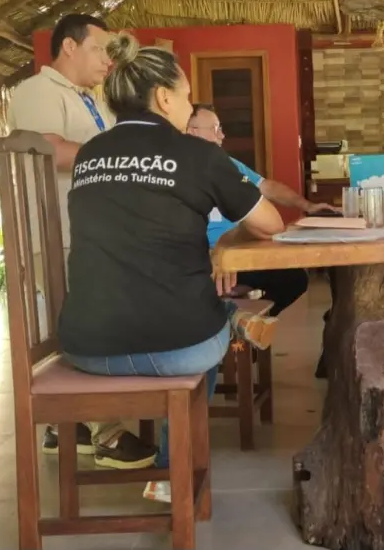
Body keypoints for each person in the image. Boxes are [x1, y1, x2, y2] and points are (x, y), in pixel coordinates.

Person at [58, 32, 285, 501]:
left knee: (189, 314)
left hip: (84, 345)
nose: (188, 105)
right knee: (206, 328)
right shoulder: (201, 155)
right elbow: (271, 224)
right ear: (163, 97)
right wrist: (226, 236)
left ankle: (230, 320)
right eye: (185, 95)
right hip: (177, 349)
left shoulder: (88, 155)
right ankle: (170, 469)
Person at [7, 13, 157, 470]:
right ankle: (107, 432)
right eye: (99, 49)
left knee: (90, 320)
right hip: (60, 234)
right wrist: (118, 158)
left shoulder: (92, 99)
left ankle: (66, 425)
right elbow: (50, 149)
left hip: (90, 234)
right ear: (69, 47)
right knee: (92, 323)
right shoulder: (38, 91)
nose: (107, 60)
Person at [187, 103, 334, 317]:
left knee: (294, 279)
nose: (222, 135)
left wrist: (307, 205)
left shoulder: (229, 165)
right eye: (215, 129)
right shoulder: (177, 172)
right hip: (202, 259)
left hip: (238, 251)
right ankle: (236, 315)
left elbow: (267, 187)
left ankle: (251, 321)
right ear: (193, 132)